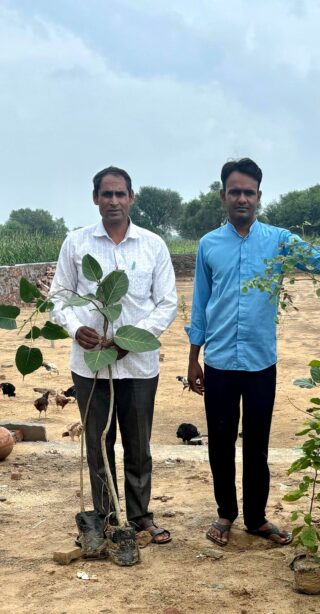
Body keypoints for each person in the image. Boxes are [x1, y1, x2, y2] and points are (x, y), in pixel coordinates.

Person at [186, 157, 320, 547]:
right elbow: (200, 305)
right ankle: (224, 514)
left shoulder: (279, 241)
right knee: (219, 441)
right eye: (235, 191)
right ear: (223, 196)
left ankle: (256, 518)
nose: (242, 198)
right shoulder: (208, 245)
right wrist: (193, 359)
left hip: (260, 362)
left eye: (249, 192)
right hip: (217, 363)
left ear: (259, 196)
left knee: (257, 443)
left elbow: (319, 258)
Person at [51, 166, 178, 544]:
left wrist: (134, 340)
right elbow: (59, 296)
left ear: (132, 198)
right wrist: (76, 328)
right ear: (95, 199)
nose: (113, 201)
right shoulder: (76, 244)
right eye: (106, 194)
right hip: (90, 367)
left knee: (139, 446)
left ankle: (140, 516)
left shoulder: (152, 245)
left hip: (138, 365)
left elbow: (167, 303)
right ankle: (107, 518)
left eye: (120, 194)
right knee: (97, 445)